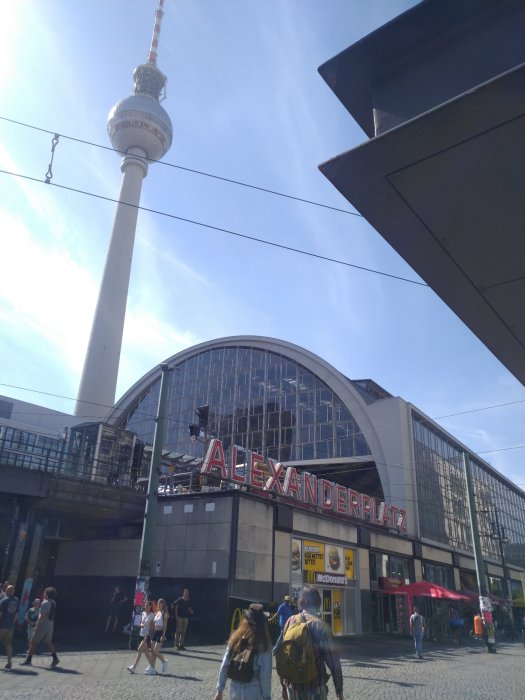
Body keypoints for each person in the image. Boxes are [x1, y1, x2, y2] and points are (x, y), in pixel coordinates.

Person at [279, 586, 344, 700]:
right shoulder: (321, 626)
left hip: (292, 687)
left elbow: (283, 654)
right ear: (318, 602)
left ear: (302, 602)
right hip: (315, 687)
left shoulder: (290, 621)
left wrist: (283, 686)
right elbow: (333, 662)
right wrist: (339, 690)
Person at [214, 602, 272, 700]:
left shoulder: (235, 639)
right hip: (254, 690)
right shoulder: (264, 644)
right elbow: (265, 674)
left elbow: (224, 665)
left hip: (235, 688)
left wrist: (220, 690)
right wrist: (267, 697)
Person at [21, 586, 59, 668]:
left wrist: (37, 626)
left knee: (33, 642)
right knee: (47, 641)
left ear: (47, 594)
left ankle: (28, 660)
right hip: (50, 625)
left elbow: (42, 616)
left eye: (45, 592)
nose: (44, 594)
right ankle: (55, 658)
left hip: (43, 625)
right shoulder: (53, 602)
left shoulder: (45, 603)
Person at [127, 600, 155, 673]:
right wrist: (140, 625)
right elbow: (141, 623)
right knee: (146, 652)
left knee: (139, 649)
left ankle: (134, 667)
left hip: (147, 635)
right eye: (145, 605)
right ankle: (152, 668)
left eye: (147, 605)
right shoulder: (143, 613)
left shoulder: (152, 615)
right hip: (141, 634)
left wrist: (147, 635)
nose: (146, 607)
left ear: (150, 606)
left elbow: (152, 627)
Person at [147, 598, 169, 676]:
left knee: (156, 651)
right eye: (158, 603)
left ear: (163, 605)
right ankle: (152, 668)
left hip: (160, 633)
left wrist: (163, 635)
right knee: (152, 651)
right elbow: (153, 623)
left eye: (160, 603)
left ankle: (164, 661)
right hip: (155, 632)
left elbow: (165, 626)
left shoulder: (164, 614)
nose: (159, 605)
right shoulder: (157, 612)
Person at [0, 584, 19, 670]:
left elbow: (0, 614)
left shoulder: (3, 601)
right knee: (8, 644)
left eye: (7, 590)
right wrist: (12, 623)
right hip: (10, 626)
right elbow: (16, 614)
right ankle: (9, 662)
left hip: (2, 625)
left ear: (8, 591)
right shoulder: (16, 600)